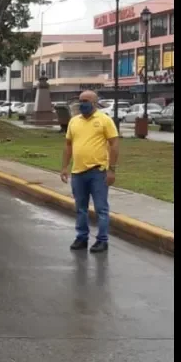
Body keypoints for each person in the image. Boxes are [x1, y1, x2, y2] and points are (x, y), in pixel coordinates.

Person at [60, 90, 120, 254]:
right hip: (78, 172)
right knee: (80, 208)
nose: (82, 104)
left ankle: (102, 240)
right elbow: (68, 145)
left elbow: (114, 144)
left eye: (86, 101)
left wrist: (112, 170)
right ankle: (82, 237)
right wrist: (65, 167)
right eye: (80, 100)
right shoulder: (74, 121)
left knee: (101, 208)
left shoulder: (104, 120)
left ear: (94, 102)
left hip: (98, 172)